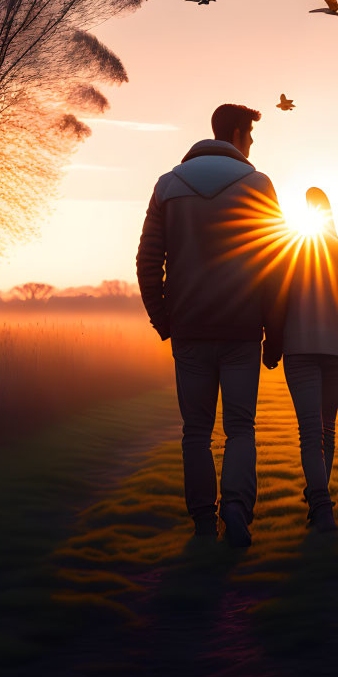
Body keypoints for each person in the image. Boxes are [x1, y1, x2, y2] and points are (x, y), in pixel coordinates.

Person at [136, 104, 284, 547]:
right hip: (241, 331)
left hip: (190, 331)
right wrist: (273, 333)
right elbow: (275, 263)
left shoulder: (167, 186)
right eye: (251, 136)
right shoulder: (259, 185)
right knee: (241, 428)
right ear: (238, 134)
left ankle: (202, 523)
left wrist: (165, 320)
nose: (253, 145)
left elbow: (147, 261)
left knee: (196, 432)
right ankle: (237, 511)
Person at [264, 187, 338, 534]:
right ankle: (320, 500)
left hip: (300, 348)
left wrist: (272, 346)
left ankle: (320, 505)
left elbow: (277, 302)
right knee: (327, 428)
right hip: (337, 350)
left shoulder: (291, 248)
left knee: (311, 431)